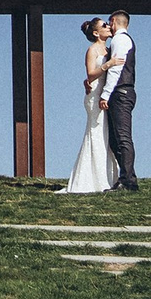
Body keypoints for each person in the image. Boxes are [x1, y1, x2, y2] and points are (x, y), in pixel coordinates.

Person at [61, 18, 115, 193]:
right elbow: (91, 74)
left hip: (106, 96)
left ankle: (108, 177)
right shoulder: (92, 50)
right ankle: (92, 180)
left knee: (105, 135)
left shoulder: (109, 49)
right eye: (104, 25)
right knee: (96, 133)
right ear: (96, 33)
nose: (108, 27)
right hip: (94, 96)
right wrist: (108, 64)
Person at [104, 11, 139, 191]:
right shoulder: (121, 40)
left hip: (121, 92)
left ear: (113, 21)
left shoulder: (120, 40)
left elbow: (116, 70)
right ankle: (127, 176)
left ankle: (128, 181)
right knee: (115, 139)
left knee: (123, 137)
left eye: (109, 23)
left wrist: (105, 94)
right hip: (122, 92)